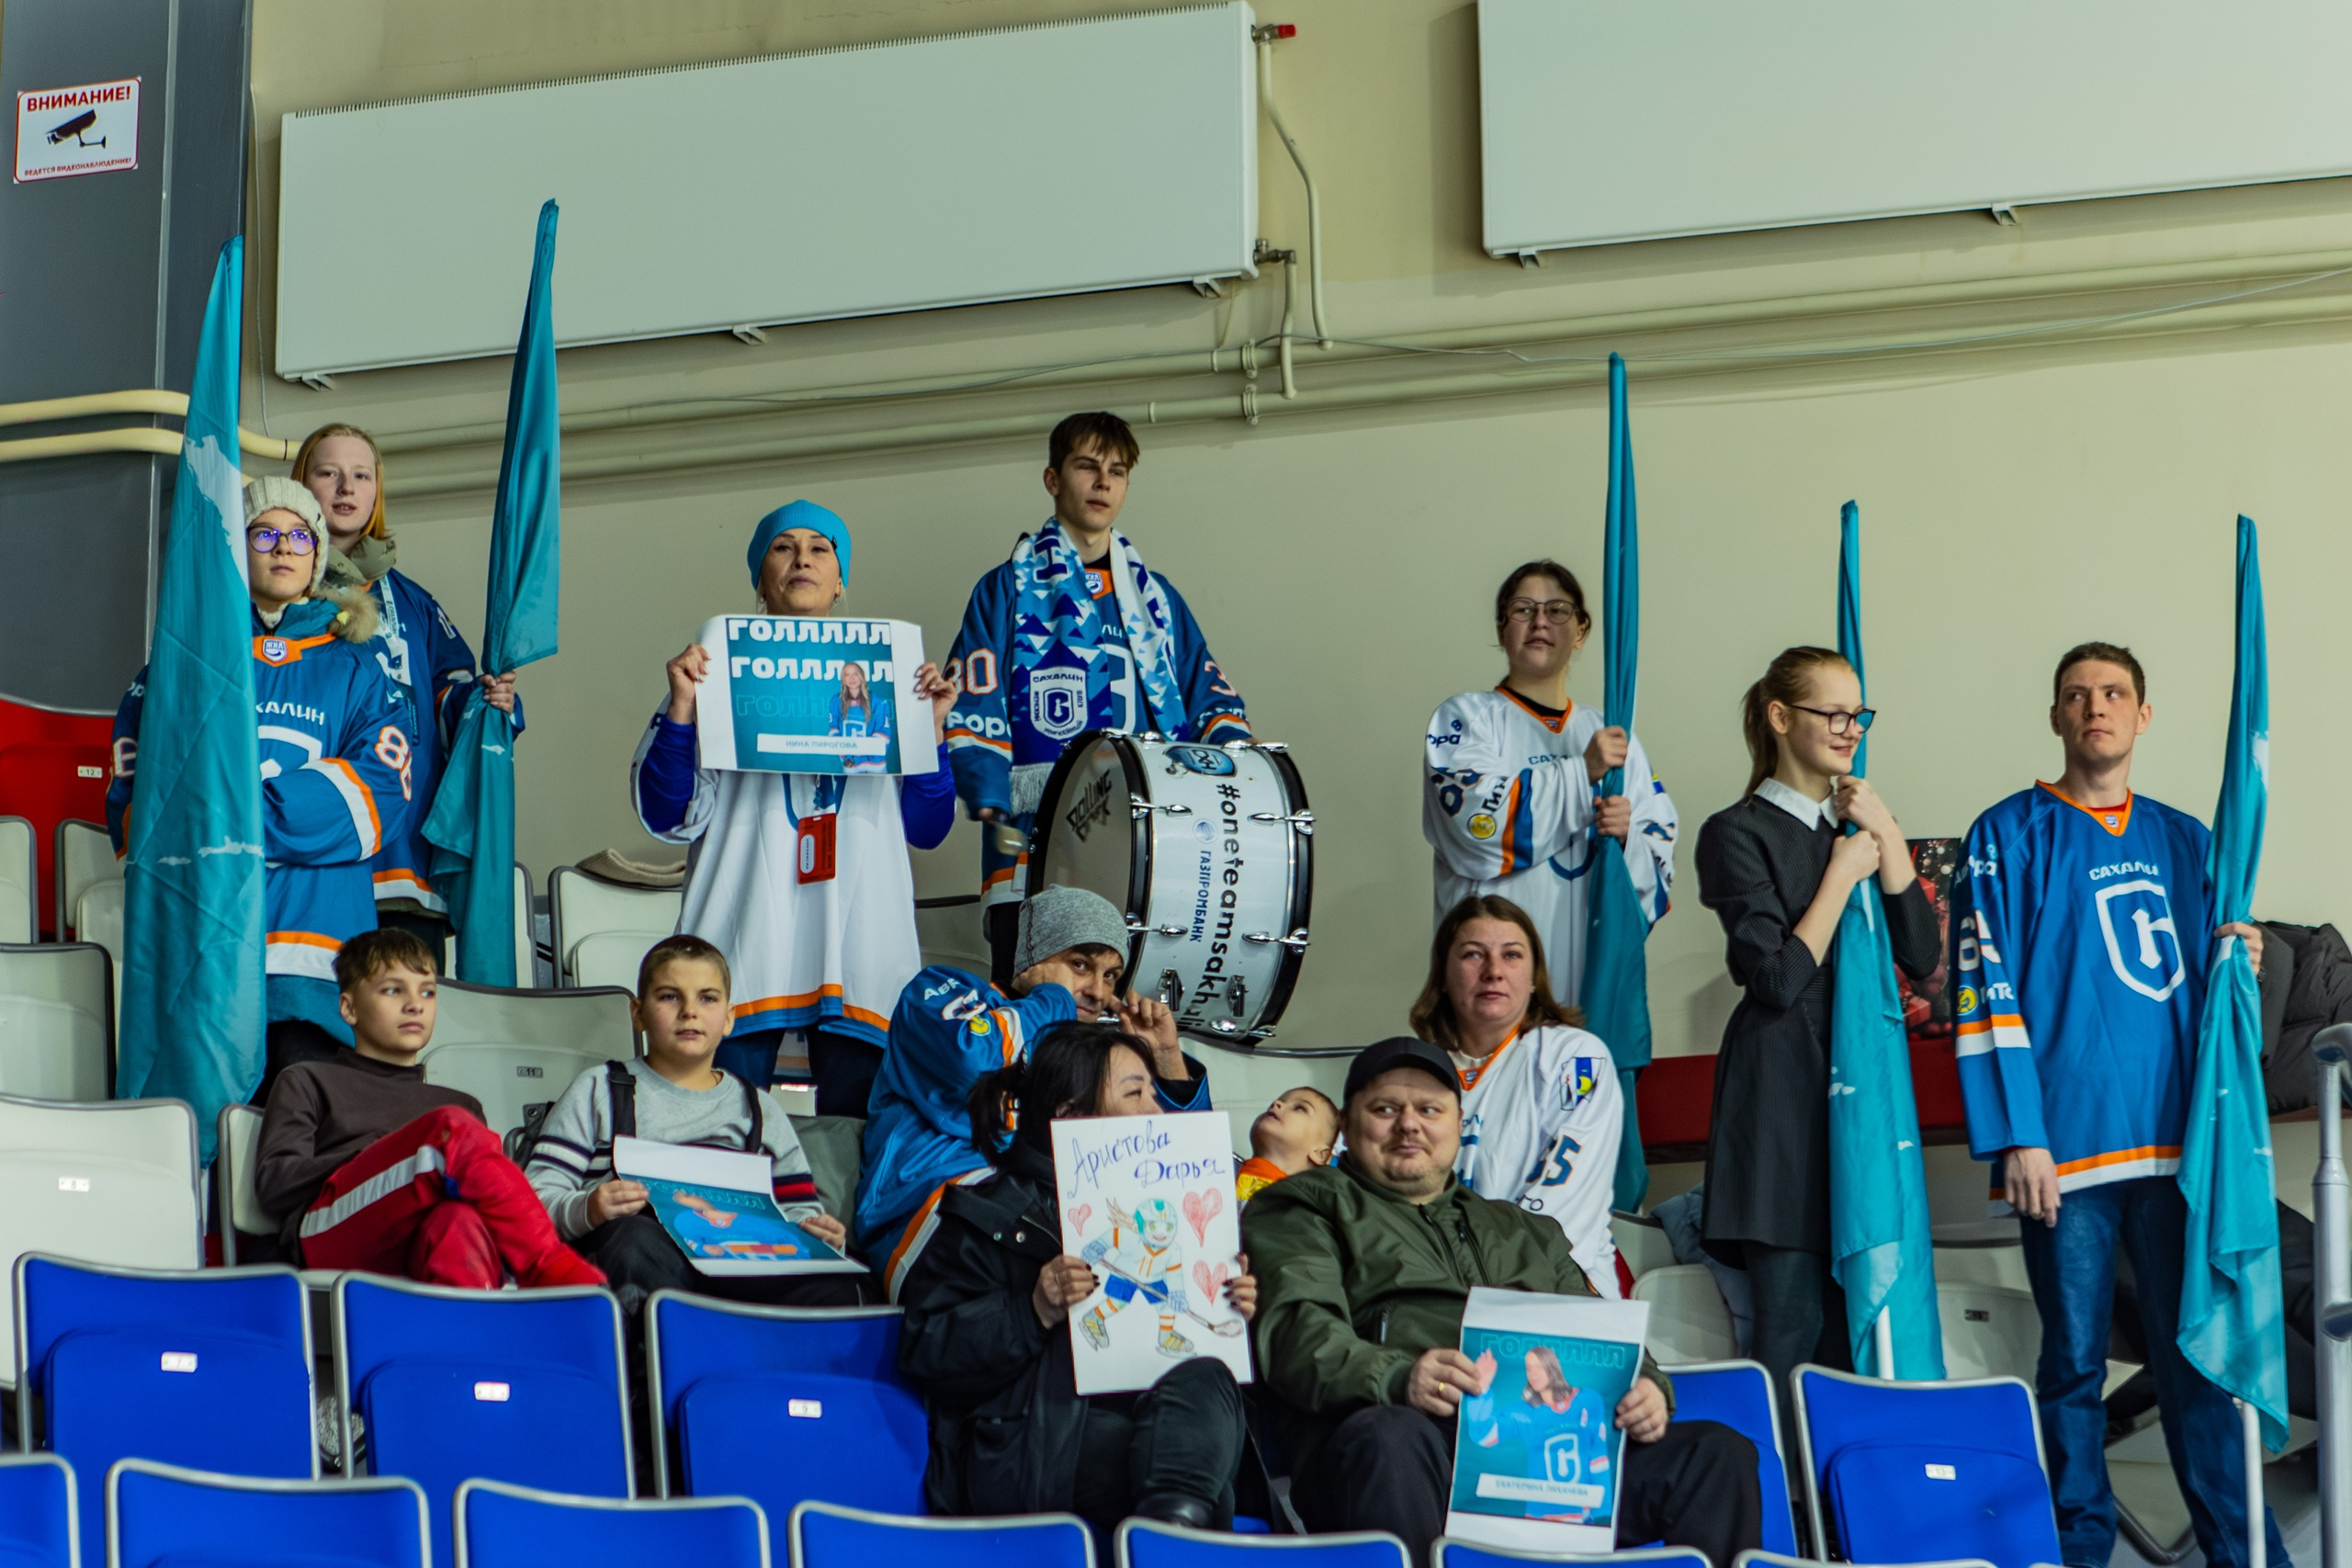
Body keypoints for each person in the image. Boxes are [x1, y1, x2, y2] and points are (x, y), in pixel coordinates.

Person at [1951, 642, 2284, 1568]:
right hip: (2068, 1153)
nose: (2093, 707)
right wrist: (2015, 1135)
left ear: (2142, 716)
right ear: (2055, 718)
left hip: (2181, 1153)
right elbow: (1985, 990)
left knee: (2201, 1365)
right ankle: (2079, 1551)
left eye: (2112, 693)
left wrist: (2245, 962)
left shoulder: (2191, 841)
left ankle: (2241, 1551)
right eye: (2074, 695)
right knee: (2071, 1367)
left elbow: (2221, 1002)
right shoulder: (2004, 835)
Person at [1241, 1037, 1759, 1566]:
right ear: (1348, 1128)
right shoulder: (1304, 1205)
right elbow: (1298, 1335)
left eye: (1429, 1109)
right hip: (1413, 1440)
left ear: (1457, 1124)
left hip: (1546, 1450)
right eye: (1384, 1109)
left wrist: (1647, 1386)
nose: (1409, 1124)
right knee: (1390, 1436)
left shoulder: (1527, 1230)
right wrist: (1400, 1378)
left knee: (1716, 1454)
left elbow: (1603, 1333)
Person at [635, 500, 959, 1117]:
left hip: (859, 932)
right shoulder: (714, 673)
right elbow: (669, 809)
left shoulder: (892, 681)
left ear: (842, 579)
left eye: (820, 547)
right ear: (759, 577)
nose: (803, 557)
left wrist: (932, 733)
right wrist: (681, 709)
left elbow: (928, 826)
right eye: (783, 547)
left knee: (862, 1133)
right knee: (721, 1128)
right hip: (746, 927)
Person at [109, 478, 413, 1098]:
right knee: (203, 1142)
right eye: (264, 532)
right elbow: (141, 801)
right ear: (236, 548)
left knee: (302, 1143)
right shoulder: (177, 663)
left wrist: (238, 817)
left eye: (301, 534)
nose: (284, 546)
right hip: (206, 936)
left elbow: (380, 792)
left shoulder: (359, 665)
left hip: (314, 948)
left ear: (318, 555)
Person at [895, 1020, 1255, 1533]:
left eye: (1155, 1094)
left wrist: (1229, 1307)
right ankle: (1176, 1539)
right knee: (1190, 1477)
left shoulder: (1165, 1213)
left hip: (1160, 1425)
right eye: (1135, 1094)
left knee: (1208, 1384)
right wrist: (1033, 1311)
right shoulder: (987, 1215)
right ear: (1073, 1115)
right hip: (1033, 1444)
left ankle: (1170, 1537)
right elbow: (926, 1351)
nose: (1157, 1113)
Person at [943, 412, 1251, 982]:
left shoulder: (1158, 601)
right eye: (1087, 467)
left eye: (1117, 471)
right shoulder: (1005, 589)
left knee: (1132, 1022)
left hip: (1148, 852)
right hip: (1031, 848)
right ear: (1053, 479)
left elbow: (1209, 696)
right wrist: (990, 797)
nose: (1103, 482)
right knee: (1038, 1026)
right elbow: (972, 695)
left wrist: (1237, 763)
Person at [856, 885, 1210, 1294]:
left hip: (1037, 1226)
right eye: (1080, 965)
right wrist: (1054, 996)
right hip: (929, 1221)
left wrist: (1166, 1059)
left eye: (1111, 975)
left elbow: (1175, 1172)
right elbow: (971, 1062)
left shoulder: (1085, 1058)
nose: (1099, 991)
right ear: (1034, 960)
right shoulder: (939, 989)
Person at [525, 933, 864, 1312]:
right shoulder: (599, 1089)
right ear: (637, 1013)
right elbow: (532, 1205)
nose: (690, 1011)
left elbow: (798, 1211)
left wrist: (818, 1234)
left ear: (729, 1018)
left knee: (835, 1285)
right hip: (647, 1261)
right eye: (669, 996)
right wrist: (590, 1208)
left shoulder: (759, 1109)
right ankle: (655, 1361)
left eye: (708, 998)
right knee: (633, 1241)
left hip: (742, 1267)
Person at [254, 929, 603, 1287]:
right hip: (330, 1234)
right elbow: (276, 1183)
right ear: (349, 1007)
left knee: (459, 1220)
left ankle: (465, 1338)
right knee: (450, 1130)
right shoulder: (308, 1079)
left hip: (422, 1238)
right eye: (393, 990)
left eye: (427, 992)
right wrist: (382, 1153)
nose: (415, 1004)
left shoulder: (461, 1103)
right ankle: (552, 1270)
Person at [295, 424, 517, 953]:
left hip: (402, 849)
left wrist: (489, 702)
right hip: (310, 848)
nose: (346, 487)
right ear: (302, 484)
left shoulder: (414, 602)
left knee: (404, 1021)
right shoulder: (273, 594)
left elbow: (448, 691)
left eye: (361, 475)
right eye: (328, 473)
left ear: (377, 492)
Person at [1423, 559, 1677, 1008]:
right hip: (1491, 991)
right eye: (1523, 609)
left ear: (1581, 631)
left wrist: (1627, 836)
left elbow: (1657, 854)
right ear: (1502, 629)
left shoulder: (1613, 734)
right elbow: (1479, 830)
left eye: (1558, 609)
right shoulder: (1464, 720)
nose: (1540, 621)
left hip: (1589, 986)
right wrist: (1582, 774)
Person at [1411, 892, 1627, 1293]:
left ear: (1533, 978)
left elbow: (1558, 1215)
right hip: (1437, 1291)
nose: (1493, 971)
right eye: (1473, 955)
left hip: (1552, 1292)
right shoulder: (1410, 1072)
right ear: (1443, 974)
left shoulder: (1575, 1058)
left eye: (1511, 955)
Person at [1236, 1086, 1338, 1202]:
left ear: (1319, 1154)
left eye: (1299, 1108)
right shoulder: (1222, 1172)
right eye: (1276, 1102)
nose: (1277, 1103)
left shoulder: (1303, 1209)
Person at [829, 660, 892, 774]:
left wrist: (867, 753)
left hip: (875, 765)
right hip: (851, 765)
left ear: (862, 676)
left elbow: (883, 733)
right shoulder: (835, 702)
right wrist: (846, 757)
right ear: (843, 679)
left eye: (855, 674)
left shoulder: (878, 702)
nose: (852, 678)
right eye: (847, 675)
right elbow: (834, 731)